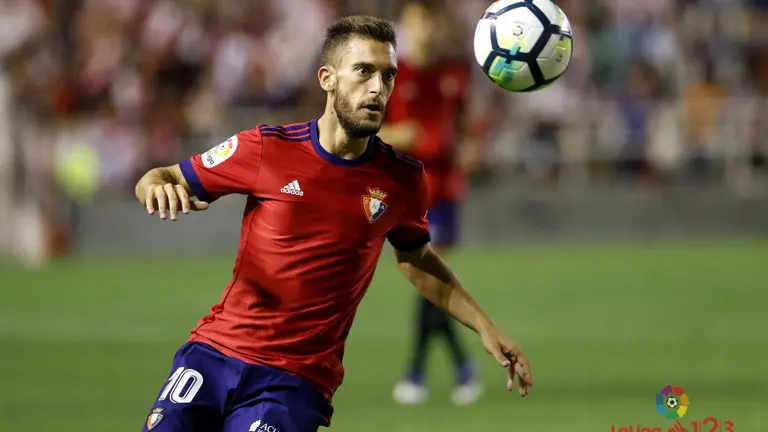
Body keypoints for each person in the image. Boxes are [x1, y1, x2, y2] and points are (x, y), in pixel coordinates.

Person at [134, 15, 531, 432]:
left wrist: (486, 328)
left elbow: (417, 261)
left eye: (388, 75)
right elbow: (160, 176)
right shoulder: (267, 148)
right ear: (327, 78)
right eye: (364, 72)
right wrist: (157, 188)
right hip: (213, 354)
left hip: (293, 382)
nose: (379, 88)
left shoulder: (402, 180)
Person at [378, 2, 482, 406]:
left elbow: (462, 123)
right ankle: (451, 367)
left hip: (446, 191)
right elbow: (369, 131)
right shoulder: (391, 75)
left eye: (431, 21)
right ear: (405, 27)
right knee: (429, 282)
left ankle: (421, 372)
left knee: (431, 282)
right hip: (409, 192)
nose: (427, 30)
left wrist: (467, 146)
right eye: (418, 22)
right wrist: (397, 135)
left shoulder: (454, 72)